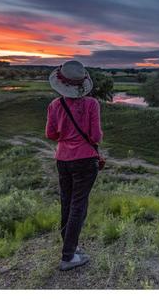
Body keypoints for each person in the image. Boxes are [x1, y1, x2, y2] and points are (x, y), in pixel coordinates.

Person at [45, 60, 103, 271]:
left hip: (63, 159)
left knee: (67, 203)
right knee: (79, 205)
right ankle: (68, 256)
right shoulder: (91, 104)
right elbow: (95, 136)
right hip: (85, 161)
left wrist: (66, 135)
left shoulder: (54, 105)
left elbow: (51, 134)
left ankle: (71, 246)